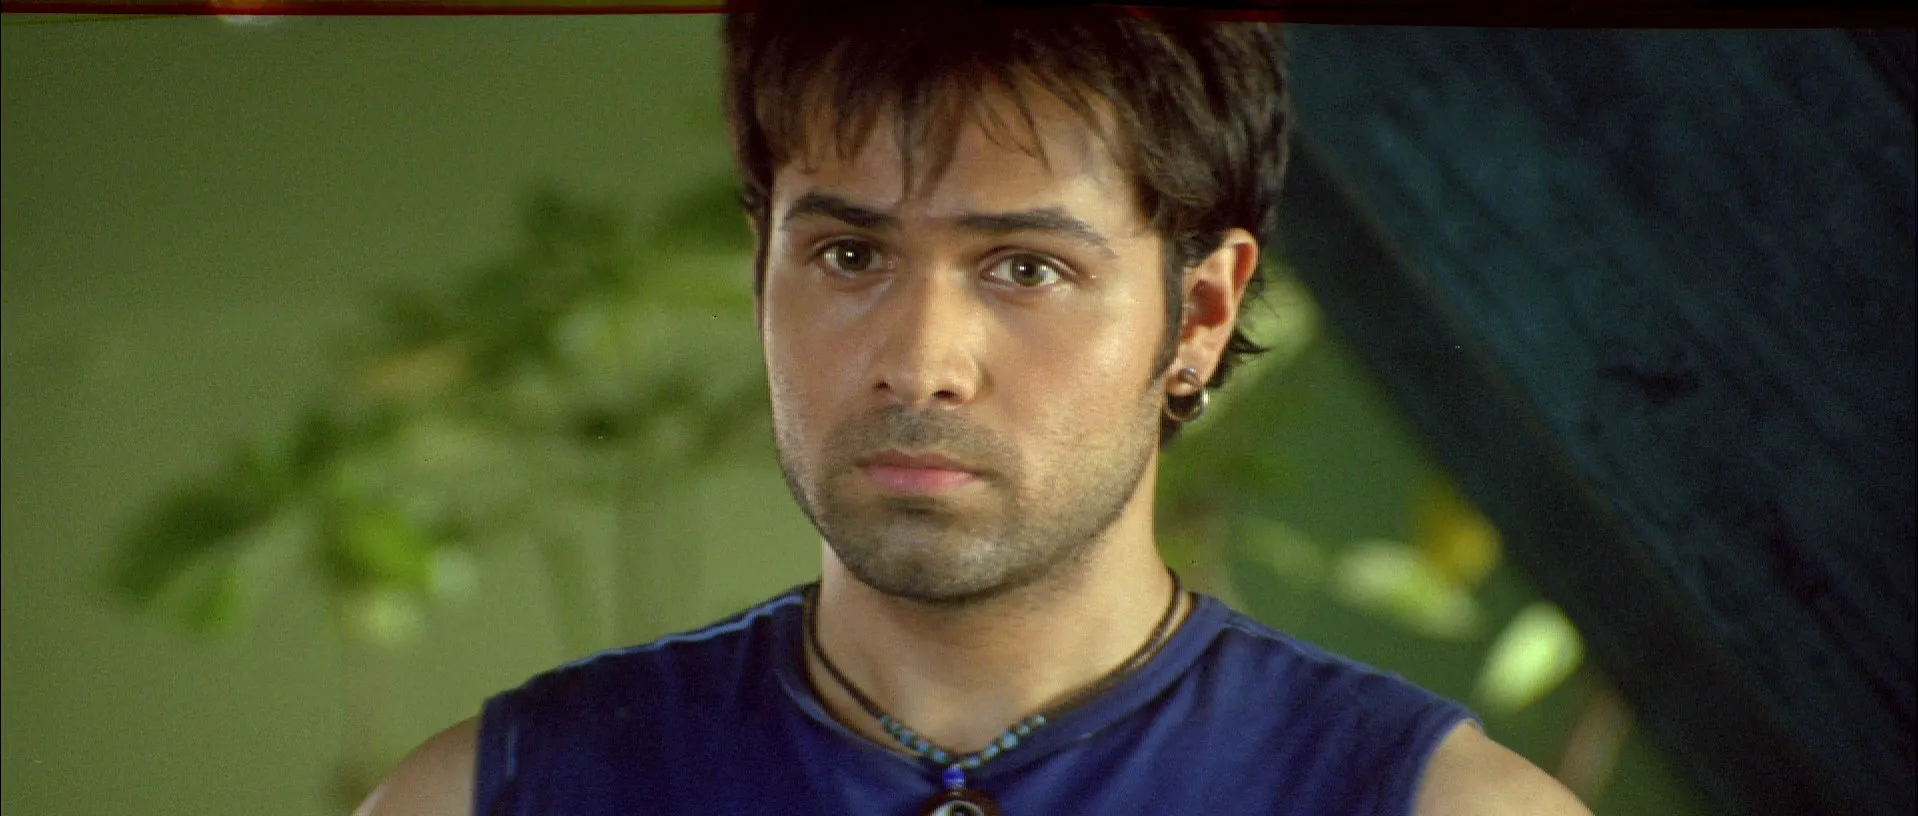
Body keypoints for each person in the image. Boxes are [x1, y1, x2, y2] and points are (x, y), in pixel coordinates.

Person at [358, 2, 1592, 813]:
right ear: (762, 270)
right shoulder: (488, 797)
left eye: (1026, 269)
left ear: (1201, 315)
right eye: (849, 256)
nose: (920, 362)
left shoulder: (1441, 807)